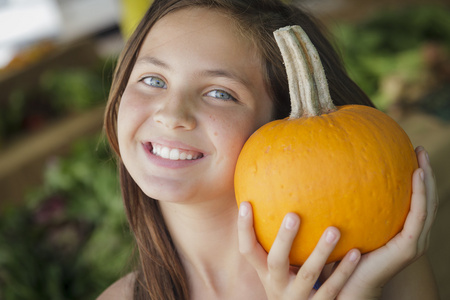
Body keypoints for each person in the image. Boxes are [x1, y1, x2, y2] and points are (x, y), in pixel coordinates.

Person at [98, 0, 439, 299]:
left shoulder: (376, 262)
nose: (172, 115)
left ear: (280, 123)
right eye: (153, 80)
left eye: (220, 93)